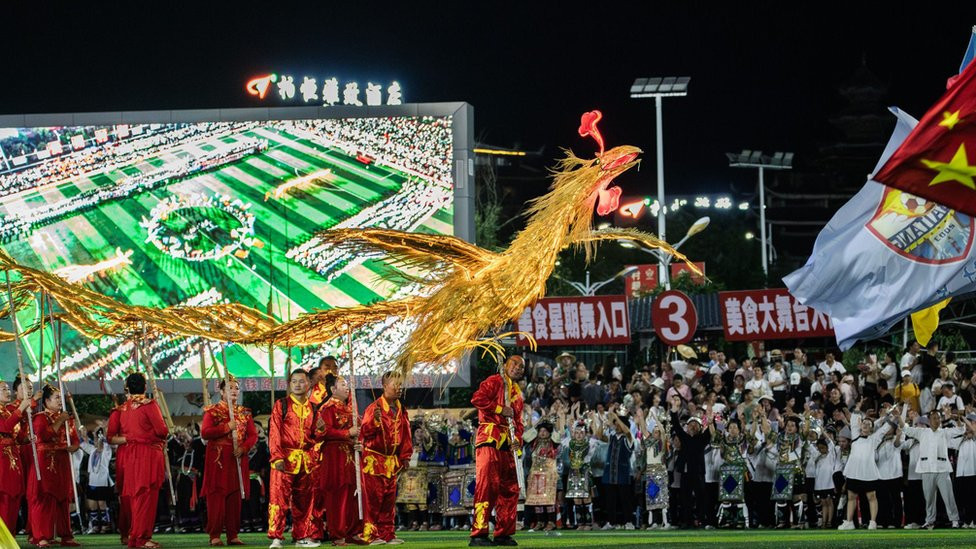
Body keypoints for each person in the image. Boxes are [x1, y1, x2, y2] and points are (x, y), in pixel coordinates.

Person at [469, 355, 525, 547]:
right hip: (490, 441)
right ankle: (479, 533)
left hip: (508, 446)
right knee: (487, 487)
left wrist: (517, 440)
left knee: (510, 489)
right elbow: (477, 399)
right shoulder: (494, 381)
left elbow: (518, 423)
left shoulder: (517, 394)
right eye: (514, 363)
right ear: (505, 364)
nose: (518, 368)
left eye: (521, 367)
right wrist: (501, 409)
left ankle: (503, 533)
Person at [201, 376, 258, 546]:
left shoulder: (245, 413)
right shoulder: (212, 411)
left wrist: (244, 448)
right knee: (216, 496)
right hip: (218, 458)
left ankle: (233, 534)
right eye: (229, 388)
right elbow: (205, 432)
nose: (234, 391)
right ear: (221, 391)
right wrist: (227, 427)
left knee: (235, 496)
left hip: (237, 457)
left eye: (236, 388)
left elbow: (253, 435)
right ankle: (215, 535)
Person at [268, 369, 321, 548]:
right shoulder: (281, 405)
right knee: (279, 499)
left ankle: (301, 536)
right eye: (294, 381)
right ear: (290, 385)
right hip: (284, 459)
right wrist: (276, 457)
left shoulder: (314, 408)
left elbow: (316, 437)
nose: (298, 385)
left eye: (302, 381)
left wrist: (321, 430)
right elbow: (274, 432)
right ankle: (276, 537)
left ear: (309, 384)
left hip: (306, 462)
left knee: (304, 502)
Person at [314, 373, 368, 546]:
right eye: (343, 384)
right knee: (338, 495)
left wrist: (359, 443)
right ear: (333, 389)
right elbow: (323, 432)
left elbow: (360, 432)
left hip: (351, 456)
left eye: (347, 385)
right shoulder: (327, 409)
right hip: (335, 456)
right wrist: (347, 433)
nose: (347, 388)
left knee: (355, 492)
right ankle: (337, 534)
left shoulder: (350, 409)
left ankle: (354, 531)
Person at [116, 372, 168, 549]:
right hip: (148, 454)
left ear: (128, 388)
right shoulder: (149, 405)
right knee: (146, 496)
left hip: (131, 455)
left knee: (137, 497)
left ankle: (135, 537)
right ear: (145, 387)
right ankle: (142, 538)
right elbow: (162, 431)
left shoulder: (124, 408)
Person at [361, 371, 412, 545]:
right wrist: (374, 422)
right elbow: (364, 433)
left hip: (391, 461)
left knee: (389, 500)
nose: (399, 388)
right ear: (384, 386)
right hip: (374, 460)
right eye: (395, 384)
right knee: (373, 499)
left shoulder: (401, 408)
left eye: (400, 385)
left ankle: (387, 534)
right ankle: (370, 534)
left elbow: (406, 434)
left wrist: (405, 456)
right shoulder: (373, 408)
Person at [27, 384, 81, 547]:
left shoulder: (66, 418)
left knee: (63, 498)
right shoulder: (40, 418)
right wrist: (60, 420)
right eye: (57, 398)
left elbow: (74, 438)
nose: (60, 401)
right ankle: (42, 536)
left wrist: (74, 446)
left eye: (61, 398)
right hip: (45, 461)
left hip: (62, 460)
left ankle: (66, 535)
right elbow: (44, 435)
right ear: (46, 401)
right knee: (45, 498)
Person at [900, 408, 965, 529]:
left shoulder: (945, 432)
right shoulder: (922, 432)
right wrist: (899, 415)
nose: (937, 420)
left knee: (948, 497)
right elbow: (905, 428)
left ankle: (954, 520)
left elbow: (961, 430)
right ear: (929, 420)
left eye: (939, 418)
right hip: (927, 469)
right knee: (929, 498)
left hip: (942, 469)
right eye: (934, 418)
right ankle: (930, 521)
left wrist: (958, 420)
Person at [836, 400, 895, 530]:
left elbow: (885, 428)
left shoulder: (875, 438)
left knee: (871, 497)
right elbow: (854, 420)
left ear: (872, 428)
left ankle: (873, 522)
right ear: (860, 425)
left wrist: (893, 415)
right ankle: (849, 522)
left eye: (869, 424)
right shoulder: (855, 435)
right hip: (854, 471)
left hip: (868, 472)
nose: (866, 424)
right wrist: (858, 407)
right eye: (864, 423)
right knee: (851, 497)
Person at [669, 394, 710, 529]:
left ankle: (701, 520)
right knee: (685, 498)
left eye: (695, 424)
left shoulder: (702, 439)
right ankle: (687, 521)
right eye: (690, 424)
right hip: (686, 473)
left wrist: (710, 419)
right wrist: (674, 410)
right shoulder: (684, 437)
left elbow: (711, 431)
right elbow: (676, 425)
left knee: (701, 497)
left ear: (700, 427)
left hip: (698, 472)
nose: (692, 426)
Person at [0, 377, 31, 531]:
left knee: (14, 496)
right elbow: (5, 427)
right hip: (2, 458)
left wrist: (27, 438)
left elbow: (17, 436)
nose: (7, 392)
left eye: (7, 389)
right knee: (4, 496)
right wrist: (21, 409)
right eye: (3, 389)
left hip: (13, 456)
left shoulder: (8, 411)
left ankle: (10, 536)